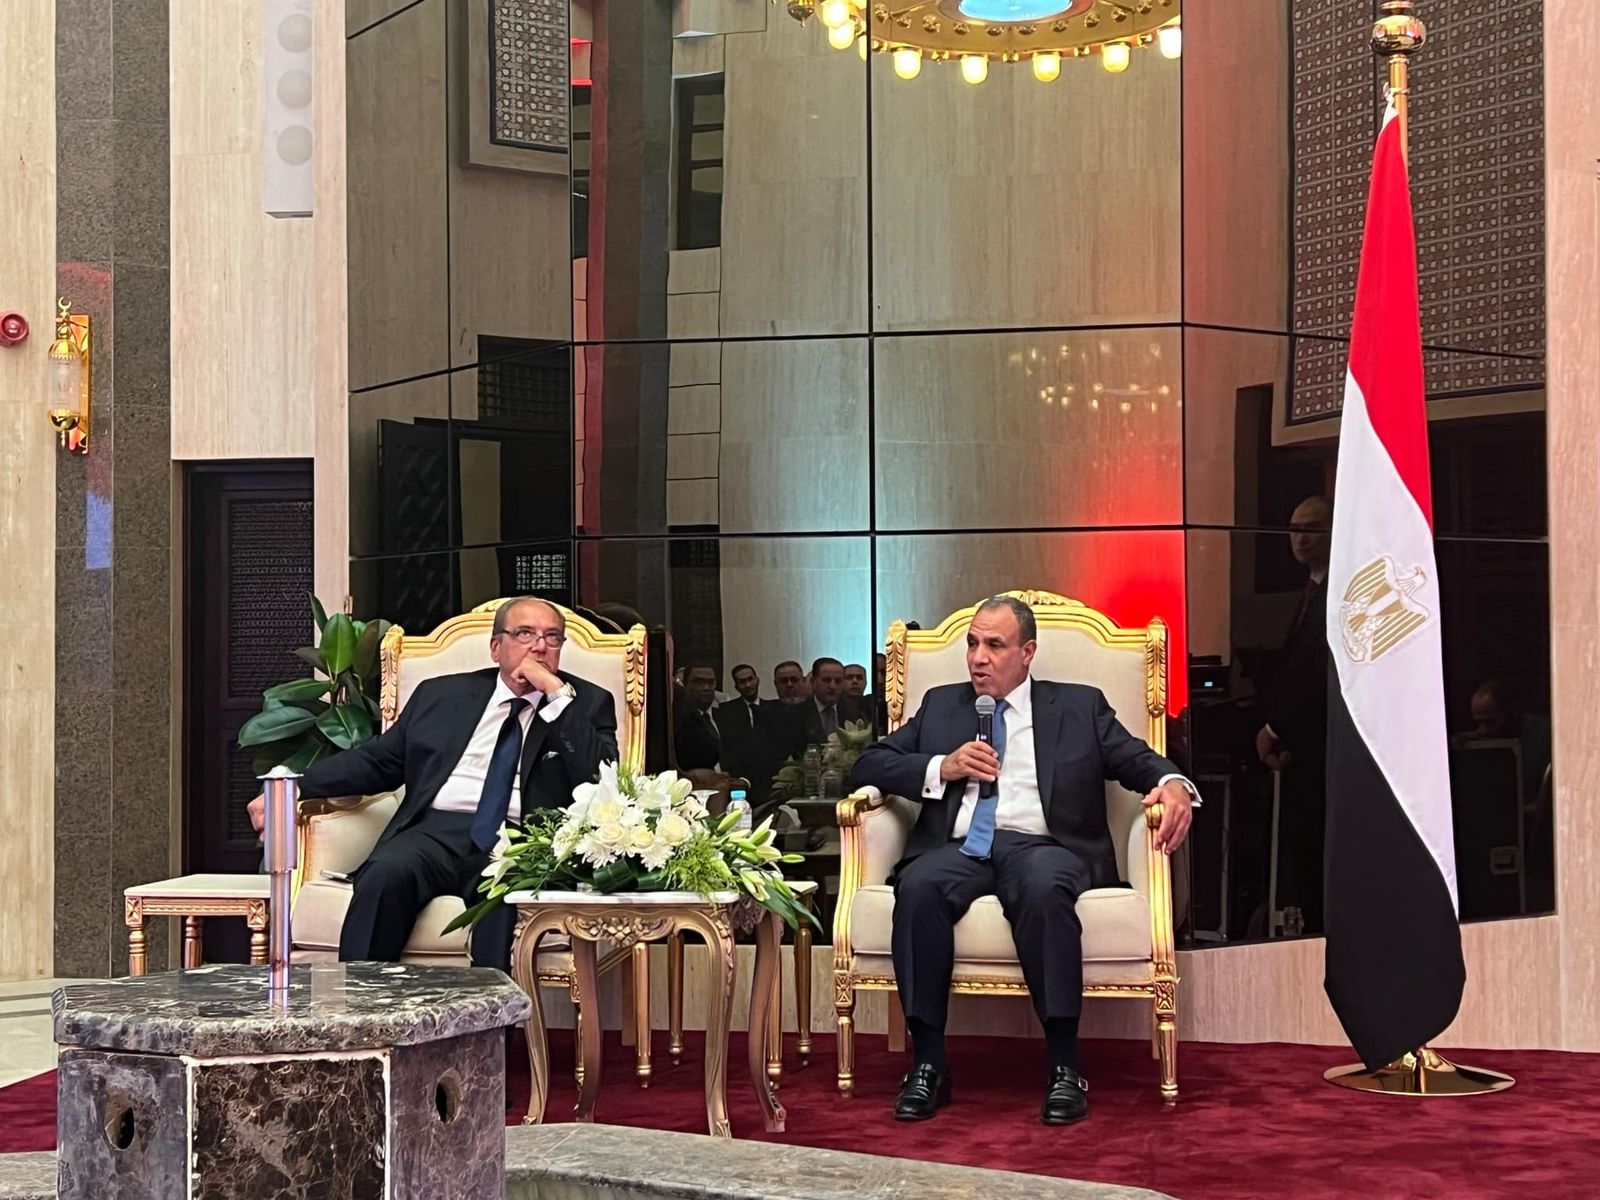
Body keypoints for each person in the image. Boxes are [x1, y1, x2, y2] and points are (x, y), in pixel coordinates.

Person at [849, 596, 1196, 1126]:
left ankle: (1064, 1065)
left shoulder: (1078, 706)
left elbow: (1136, 759)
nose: (978, 658)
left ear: (1027, 652)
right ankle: (929, 1064)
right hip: (961, 847)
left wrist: (1172, 784)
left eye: (994, 645)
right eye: (972, 644)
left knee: (1043, 888)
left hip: (1042, 846)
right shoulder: (942, 706)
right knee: (917, 888)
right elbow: (869, 763)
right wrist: (942, 766)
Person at [246, 597, 617, 971]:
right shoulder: (441, 695)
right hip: (435, 832)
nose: (539, 646)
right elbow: (380, 761)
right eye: (524, 634)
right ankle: (362, 1002)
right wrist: (294, 786)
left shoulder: (586, 704)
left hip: (520, 840)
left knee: (504, 900)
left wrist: (555, 696)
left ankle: (490, 1009)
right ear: (496, 647)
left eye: (552, 637)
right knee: (385, 873)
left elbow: (600, 780)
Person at [1253, 494, 1331, 935]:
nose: (1300, 538)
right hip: (1298, 749)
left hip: (1320, 748)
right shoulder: (1308, 591)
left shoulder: (1338, 592)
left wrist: (1274, 728)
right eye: (1294, 529)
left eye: (1311, 528)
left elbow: (1314, 673)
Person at [675, 664, 723, 771]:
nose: (706, 688)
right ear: (685, 684)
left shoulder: (726, 716)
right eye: (698, 682)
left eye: (710, 683)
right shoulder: (678, 721)